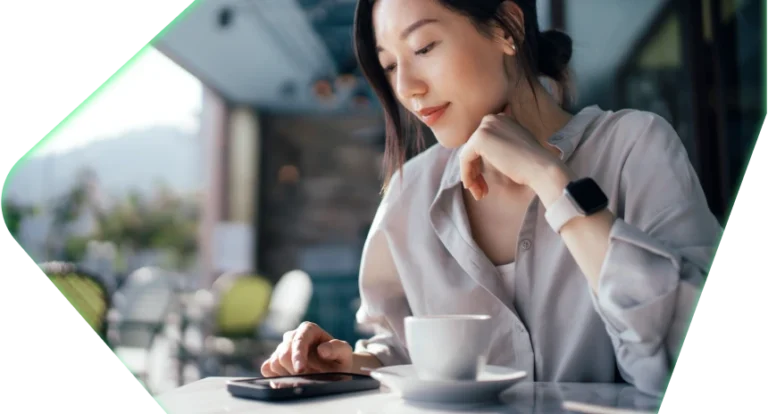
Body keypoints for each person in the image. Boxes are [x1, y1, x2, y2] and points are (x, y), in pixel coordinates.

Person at [260, 0, 722, 397]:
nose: (407, 89)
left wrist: (551, 178)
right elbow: (400, 350)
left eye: (423, 48)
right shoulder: (409, 192)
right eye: (391, 65)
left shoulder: (633, 147)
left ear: (508, 28)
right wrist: (350, 366)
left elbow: (670, 351)